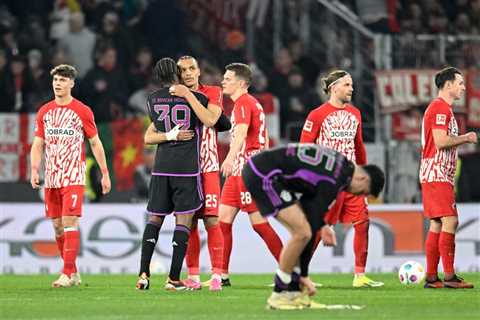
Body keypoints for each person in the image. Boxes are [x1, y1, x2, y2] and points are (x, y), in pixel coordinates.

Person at [242, 143, 385, 309]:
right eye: (363, 192)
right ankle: (279, 294)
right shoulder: (336, 180)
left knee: (303, 233)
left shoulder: (342, 165)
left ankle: (293, 293)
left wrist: (322, 226)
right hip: (262, 175)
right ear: (363, 178)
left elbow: (310, 207)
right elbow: (313, 218)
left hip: (262, 169)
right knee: (302, 233)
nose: (357, 195)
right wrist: (304, 273)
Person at [300, 70, 383, 288]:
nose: (351, 88)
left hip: (352, 179)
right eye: (347, 85)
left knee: (362, 222)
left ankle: (359, 276)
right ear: (334, 88)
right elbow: (305, 148)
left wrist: (365, 173)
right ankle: (300, 274)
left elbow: (359, 145)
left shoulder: (355, 113)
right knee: (317, 229)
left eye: (352, 84)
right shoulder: (317, 115)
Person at [30, 64, 111, 288]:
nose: (58, 84)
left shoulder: (82, 111)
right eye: (56, 80)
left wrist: (105, 173)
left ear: (72, 84)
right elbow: (38, 144)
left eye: (63, 80)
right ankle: (73, 272)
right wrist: (35, 169)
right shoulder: (45, 111)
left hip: (74, 176)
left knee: (69, 222)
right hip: (52, 177)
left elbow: (95, 142)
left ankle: (65, 274)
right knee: (57, 226)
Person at [135, 57, 212, 291]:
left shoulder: (152, 100)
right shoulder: (198, 98)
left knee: (154, 219)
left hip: (160, 169)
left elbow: (149, 137)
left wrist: (169, 136)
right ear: (178, 74)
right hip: (186, 170)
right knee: (184, 220)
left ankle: (143, 275)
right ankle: (173, 278)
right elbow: (210, 121)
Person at [219, 63, 283, 285]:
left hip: (249, 169)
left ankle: (292, 270)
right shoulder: (242, 104)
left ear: (242, 83)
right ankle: (222, 275)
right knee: (223, 221)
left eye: (228, 78)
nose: (223, 81)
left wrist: (227, 158)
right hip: (238, 170)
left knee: (259, 224)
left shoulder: (244, 102)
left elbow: (242, 134)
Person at [176, 56, 230, 291]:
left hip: (208, 166)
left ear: (199, 71)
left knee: (211, 219)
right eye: (182, 70)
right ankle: (194, 277)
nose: (187, 73)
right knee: (188, 223)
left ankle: (217, 275)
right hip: (184, 169)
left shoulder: (213, 92)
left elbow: (210, 119)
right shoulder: (171, 98)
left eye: (191, 69)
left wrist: (187, 95)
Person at [420, 67, 477, 289]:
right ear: (448, 84)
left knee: (437, 223)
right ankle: (450, 277)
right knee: (450, 220)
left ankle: (432, 277)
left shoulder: (440, 108)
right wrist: (466, 137)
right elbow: (441, 141)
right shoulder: (440, 109)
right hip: (437, 172)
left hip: (435, 172)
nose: (463, 87)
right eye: (460, 83)